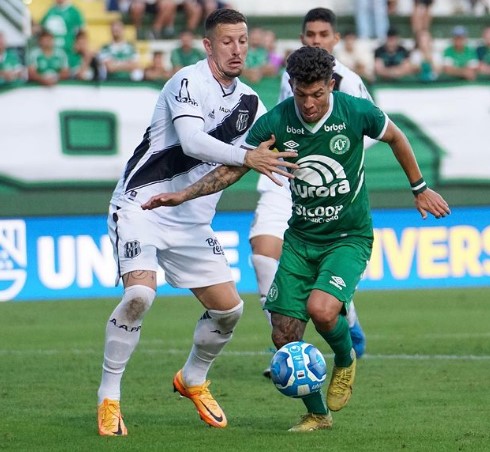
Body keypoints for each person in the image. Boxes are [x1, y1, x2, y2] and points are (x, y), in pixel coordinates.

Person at [141, 46, 451, 432]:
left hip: (348, 237)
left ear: (330, 85)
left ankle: (345, 358)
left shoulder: (356, 112)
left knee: (323, 310)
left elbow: (397, 137)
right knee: (283, 333)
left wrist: (419, 188)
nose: (309, 103)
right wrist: (183, 194)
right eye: (302, 94)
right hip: (301, 240)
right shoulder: (277, 122)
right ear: (291, 86)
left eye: (317, 94)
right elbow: (234, 168)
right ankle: (318, 414)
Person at [96, 8, 298, 436]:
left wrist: (244, 165)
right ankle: (109, 396)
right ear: (208, 45)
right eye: (227, 41)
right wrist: (247, 155)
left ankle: (192, 379)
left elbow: (233, 171)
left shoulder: (252, 104)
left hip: (191, 220)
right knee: (139, 295)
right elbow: (191, 141)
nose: (237, 49)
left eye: (242, 41)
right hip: (142, 205)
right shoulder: (187, 81)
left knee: (229, 311)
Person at [258, 8, 372, 380]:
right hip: (283, 175)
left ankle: (342, 313)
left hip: (327, 183)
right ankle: (290, 348)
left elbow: (365, 134)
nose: (316, 40)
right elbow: (279, 123)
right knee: (261, 254)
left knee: (323, 299)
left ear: (335, 39)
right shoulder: (290, 76)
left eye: (324, 34)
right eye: (310, 33)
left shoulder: (348, 82)